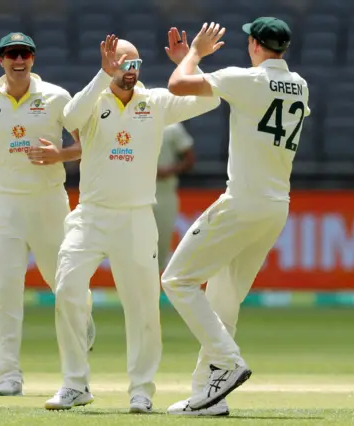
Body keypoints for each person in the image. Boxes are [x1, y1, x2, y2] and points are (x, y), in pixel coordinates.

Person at [44, 30, 220, 413]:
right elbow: (69, 117)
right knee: (68, 288)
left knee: (142, 306)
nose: (130, 70)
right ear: (109, 63)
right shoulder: (93, 101)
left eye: (136, 63)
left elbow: (212, 99)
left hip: (137, 217)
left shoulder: (155, 102)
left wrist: (185, 63)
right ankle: (75, 384)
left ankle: (141, 390)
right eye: (124, 63)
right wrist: (100, 76)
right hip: (90, 215)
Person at [162, 18, 311, 415]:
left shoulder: (247, 79)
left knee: (177, 279)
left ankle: (228, 361)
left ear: (253, 44)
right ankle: (209, 396)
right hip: (277, 205)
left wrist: (193, 54)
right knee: (223, 299)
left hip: (243, 201)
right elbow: (201, 85)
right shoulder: (299, 84)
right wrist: (191, 64)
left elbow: (178, 86)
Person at [0, 32, 96, 397]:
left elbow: (86, 142)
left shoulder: (56, 97)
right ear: (1, 60)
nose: (18, 60)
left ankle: (80, 356)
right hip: (8, 205)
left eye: (24, 53)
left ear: (33, 59)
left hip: (50, 204)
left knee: (67, 289)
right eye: (12, 54)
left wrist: (59, 155)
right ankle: (8, 376)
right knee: (6, 291)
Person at [154, 122, 196, 270]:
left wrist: (168, 170)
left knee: (160, 249)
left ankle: (153, 291)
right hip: (134, 196)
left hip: (164, 197)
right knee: (133, 249)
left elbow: (189, 159)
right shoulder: (130, 122)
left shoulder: (172, 127)